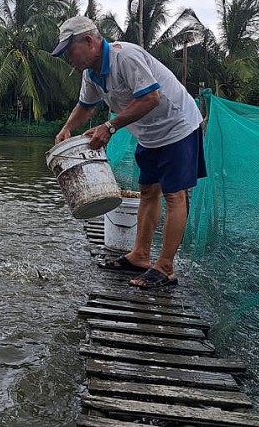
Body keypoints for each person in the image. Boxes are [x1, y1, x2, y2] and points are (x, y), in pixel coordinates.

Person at [52, 15, 206, 288]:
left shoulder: (126, 57)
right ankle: (140, 256)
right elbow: (86, 106)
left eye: (70, 50)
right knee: (148, 191)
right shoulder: (91, 73)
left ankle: (166, 268)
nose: (69, 58)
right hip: (148, 133)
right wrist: (66, 129)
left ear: (89, 41)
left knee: (174, 196)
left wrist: (110, 127)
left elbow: (150, 98)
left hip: (177, 125)